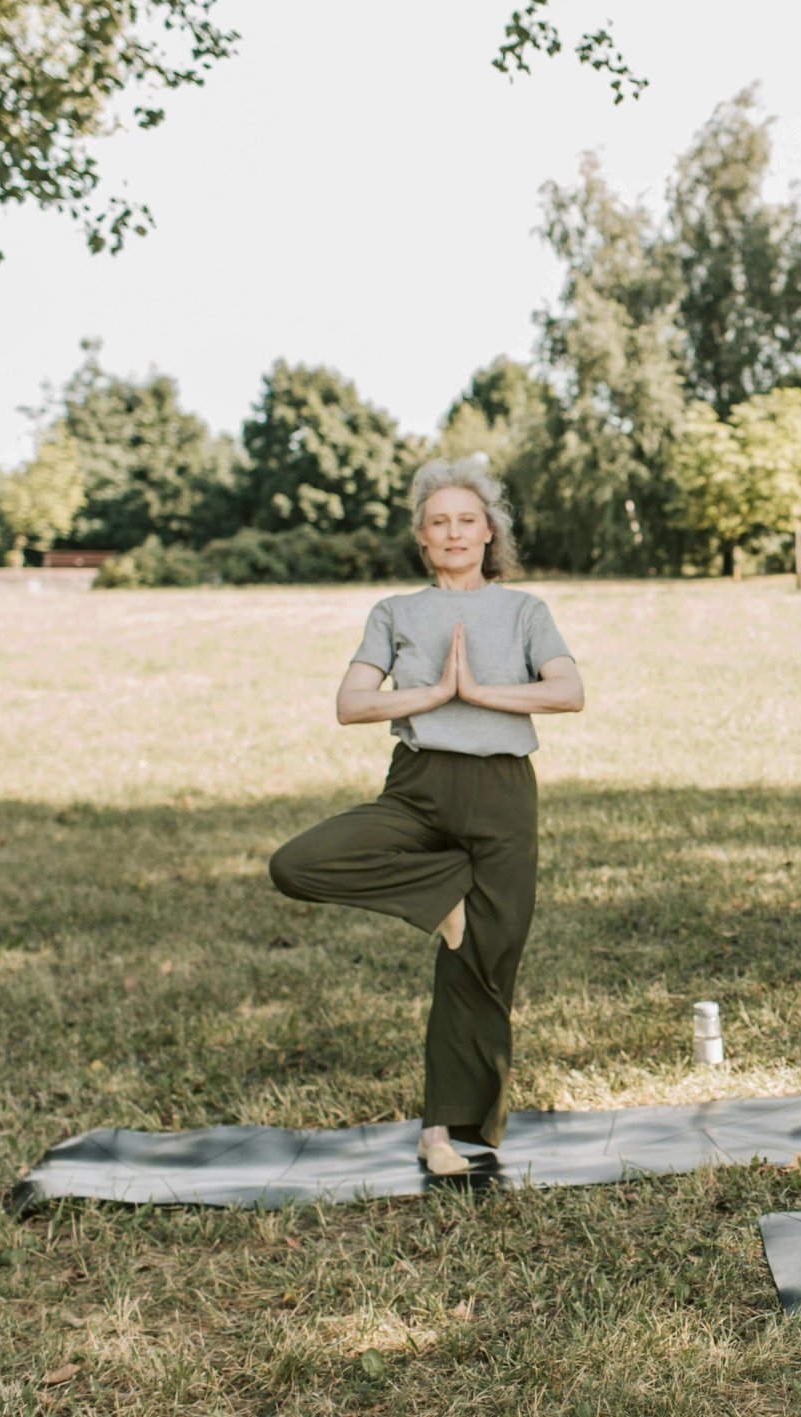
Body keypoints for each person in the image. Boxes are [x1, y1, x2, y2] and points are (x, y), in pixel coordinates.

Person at [268, 455, 583, 1176]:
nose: (453, 532)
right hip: (419, 788)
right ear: (422, 536)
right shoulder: (395, 613)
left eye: (466, 520)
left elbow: (568, 691)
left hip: (504, 794)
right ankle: (439, 896)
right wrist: (434, 694)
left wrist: (479, 689)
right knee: (297, 862)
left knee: (483, 965)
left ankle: (441, 1135)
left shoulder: (524, 610)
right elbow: (352, 704)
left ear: (488, 531)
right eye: (438, 521)